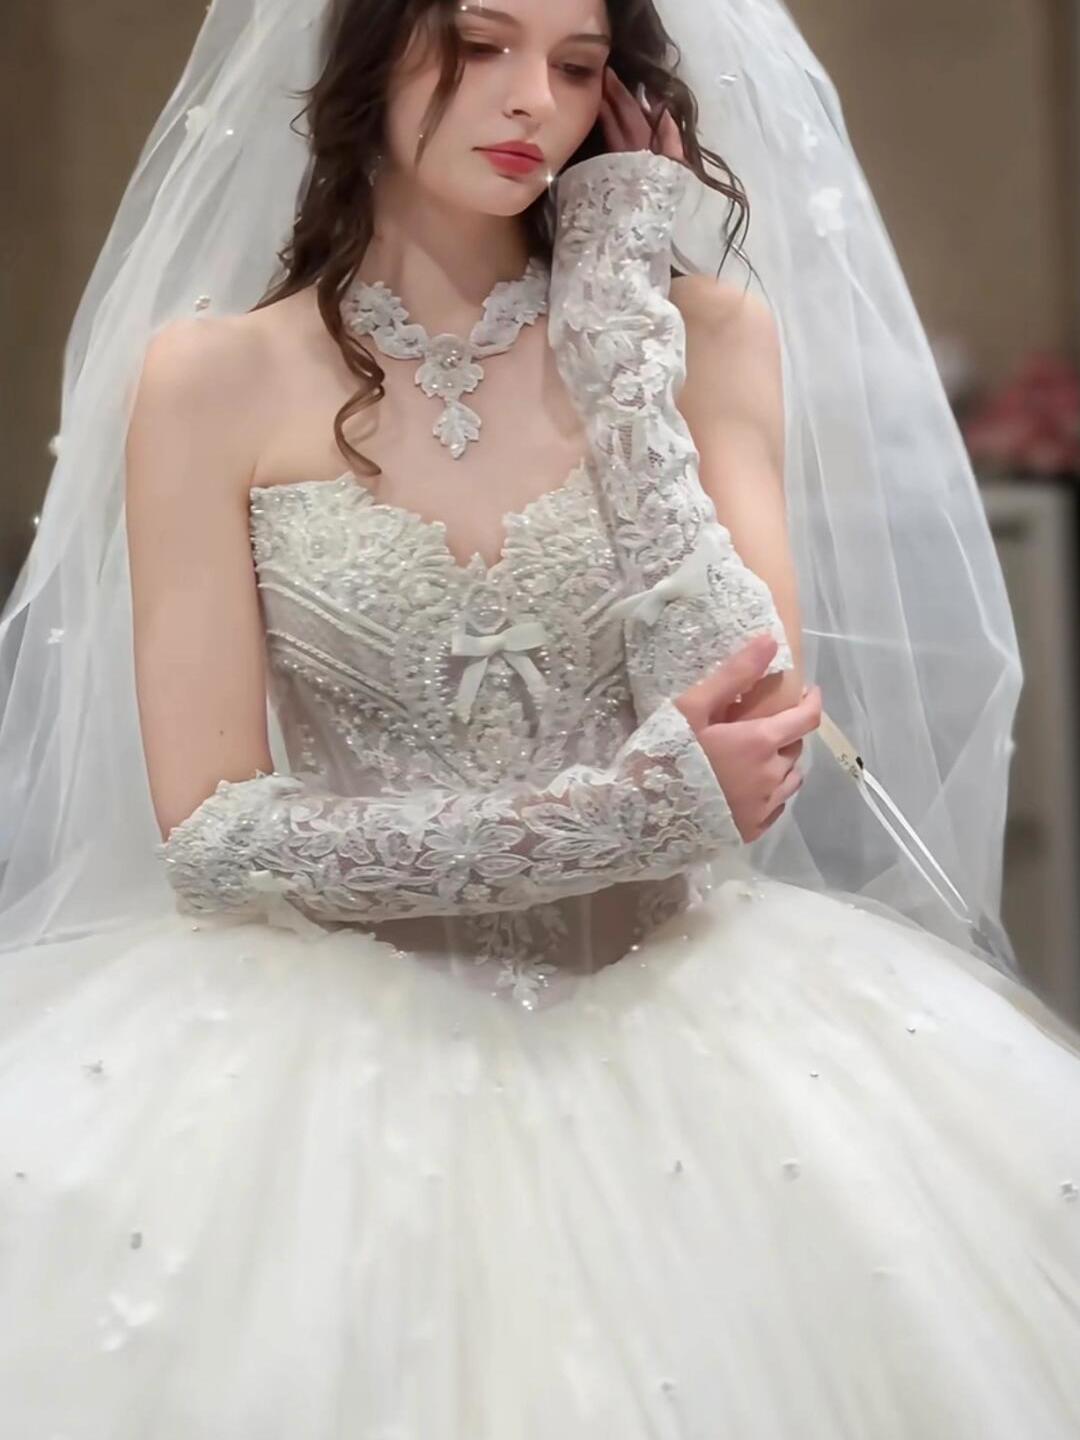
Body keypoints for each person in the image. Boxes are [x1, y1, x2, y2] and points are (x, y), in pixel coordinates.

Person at [1, 0, 1078, 1433]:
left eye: (576, 67)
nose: (532, 103)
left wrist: (620, 324)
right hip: (325, 1079)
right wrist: (617, 818)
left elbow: (749, 717)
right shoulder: (212, 380)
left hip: (691, 1037)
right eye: (480, 44)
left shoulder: (703, 339)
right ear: (370, 48)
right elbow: (214, 836)